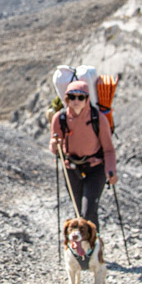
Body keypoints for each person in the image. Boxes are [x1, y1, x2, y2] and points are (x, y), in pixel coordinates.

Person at [50, 79, 117, 228]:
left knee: (89, 212)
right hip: (71, 167)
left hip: (96, 167)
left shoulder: (98, 119)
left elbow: (109, 149)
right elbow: (55, 148)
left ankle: (93, 247)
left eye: (81, 97)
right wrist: (55, 145)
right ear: (67, 98)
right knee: (78, 211)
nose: (76, 101)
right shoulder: (60, 118)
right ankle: (82, 247)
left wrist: (110, 171)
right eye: (72, 97)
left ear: (87, 99)